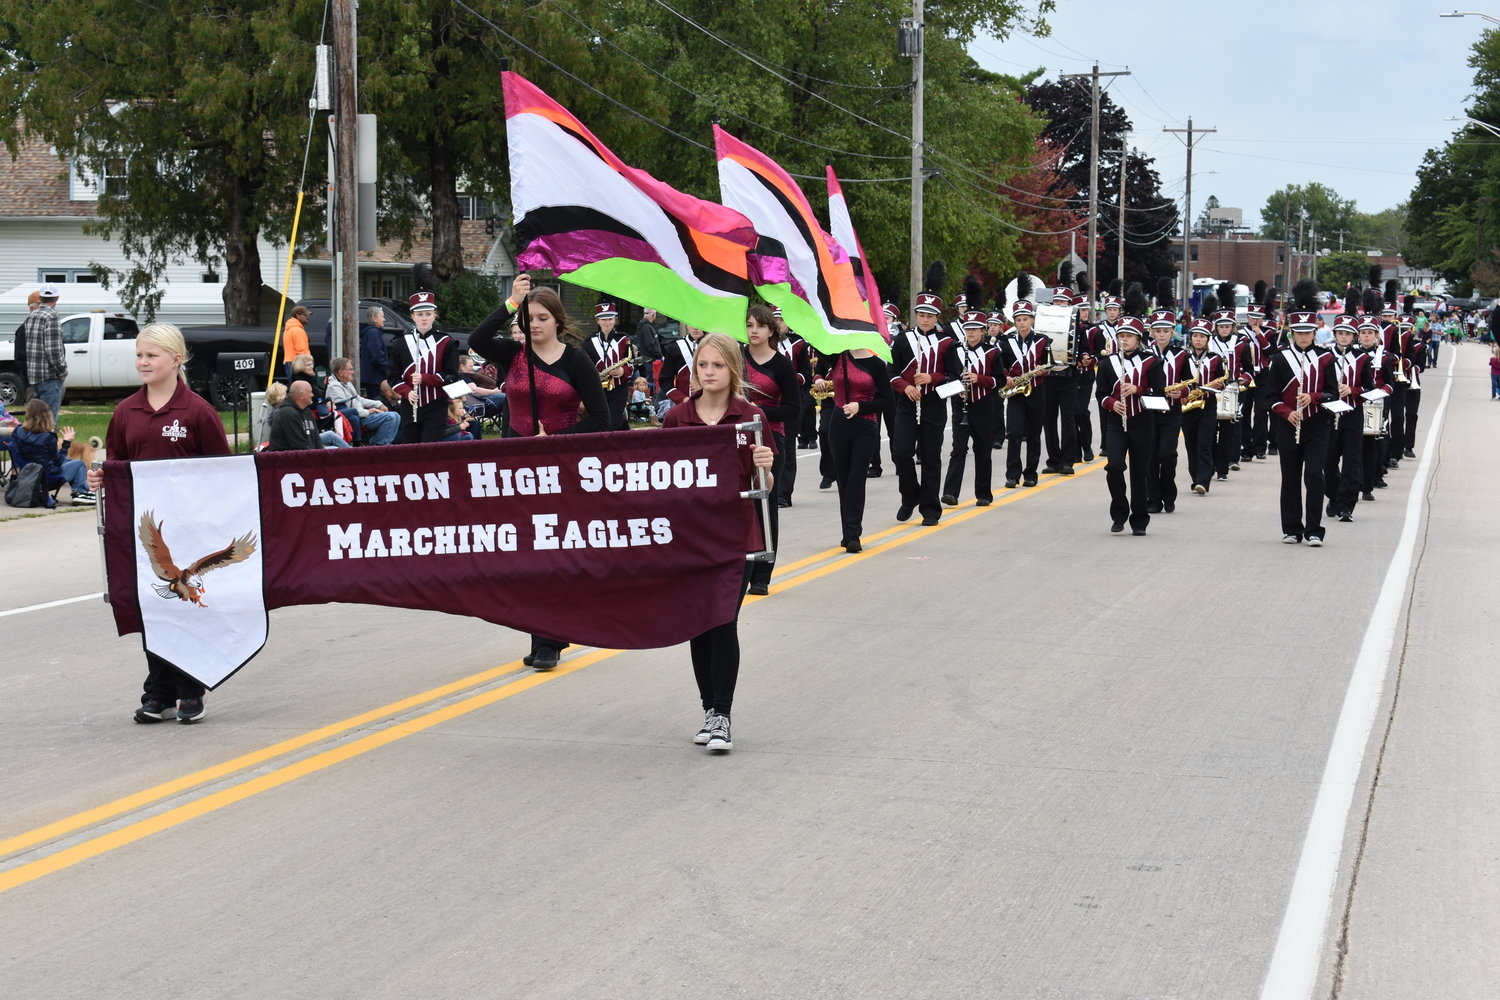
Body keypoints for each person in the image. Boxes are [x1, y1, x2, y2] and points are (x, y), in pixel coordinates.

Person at [87, 322, 231, 724]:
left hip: (189, 532)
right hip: (142, 532)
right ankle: (159, 692)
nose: (143, 362)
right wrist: (99, 476)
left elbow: (222, 474)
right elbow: (115, 464)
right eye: (139, 355)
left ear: (176, 359)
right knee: (154, 610)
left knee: (185, 608)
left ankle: (190, 690)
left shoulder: (198, 412)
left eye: (152, 355)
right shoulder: (125, 411)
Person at [468, 272, 609, 670]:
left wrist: (560, 439)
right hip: (516, 464)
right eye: (529, 318)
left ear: (558, 321)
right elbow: (477, 340)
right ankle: (541, 632)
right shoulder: (514, 355)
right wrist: (512, 301)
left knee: (552, 550)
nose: (535, 324)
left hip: (560, 467)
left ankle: (551, 638)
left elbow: (601, 418)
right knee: (527, 553)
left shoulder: (576, 360)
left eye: (543, 317)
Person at [661, 332, 775, 753]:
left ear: (733, 370)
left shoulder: (750, 418)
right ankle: (709, 709)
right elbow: (661, 481)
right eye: (702, 365)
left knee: (724, 619)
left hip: (736, 535)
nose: (708, 372)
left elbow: (765, 484)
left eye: (717, 365)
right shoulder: (676, 419)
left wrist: (765, 467)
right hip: (691, 538)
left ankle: (722, 715)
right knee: (700, 621)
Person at [1265, 304, 1336, 546]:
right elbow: (1270, 396)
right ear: (1292, 333)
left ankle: (1314, 529)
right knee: (1291, 477)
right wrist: (1286, 412)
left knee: (1315, 475)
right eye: (1299, 332)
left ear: (1315, 333)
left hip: (1317, 424)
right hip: (1288, 425)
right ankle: (1292, 528)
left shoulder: (1326, 358)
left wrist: (1313, 397)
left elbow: (1333, 394)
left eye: (1308, 332)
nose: (1304, 336)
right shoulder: (1280, 358)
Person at [742, 304, 800, 596]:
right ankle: (743, 567)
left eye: (760, 326)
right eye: (750, 325)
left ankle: (763, 573)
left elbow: (793, 408)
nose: (754, 331)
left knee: (765, 506)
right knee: (740, 506)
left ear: (771, 330)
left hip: (769, 442)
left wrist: (759, 412)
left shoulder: (782, 364)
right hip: (736, 441)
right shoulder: (737, 358)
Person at [891, 284, 958, 524]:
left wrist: (933, 378)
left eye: (930, 315)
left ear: (937, 317)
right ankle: (910, 496)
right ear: (915, 315)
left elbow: (957, 378)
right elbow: (891, 372)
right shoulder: (901, 340)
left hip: (933, 406)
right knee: (901, 453)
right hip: (907, 405)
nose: (925, 319)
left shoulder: (947, 343)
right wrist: (905, 387)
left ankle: (930, 509)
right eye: (921, 315)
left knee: (931, 457)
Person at [816, 345, 891, 553]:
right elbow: (817, 343)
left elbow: (887, 400)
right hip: (839, 424)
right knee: (843, 479)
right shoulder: (838, 357)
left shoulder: (876, 364)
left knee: (857, 479)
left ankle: (853, 535)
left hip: (866, 426)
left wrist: (861, 406)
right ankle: (848, 532)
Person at [1095, 316, 1163, 535]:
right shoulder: (1107, 363)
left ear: (1138, 338)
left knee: (1139, 472)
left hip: (1142, 421)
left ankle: (1140, 519)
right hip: (1116, 422)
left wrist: (1138, 390)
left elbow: (1160, 393)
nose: (1124, 340)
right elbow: (1101, 394)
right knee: (1114, 466)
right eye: (1121, 336)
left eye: (1129, 336)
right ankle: (1119, 511)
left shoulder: (1152, 362)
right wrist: (1112, 403)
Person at [941, 310, 1001, 507]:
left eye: (975, 329)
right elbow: (947, 376)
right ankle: (950, 493)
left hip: (984, 406)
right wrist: (957, 388)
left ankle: (983, 494)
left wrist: (979, 379)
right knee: (958, 449)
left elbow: (999, 380)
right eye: (968, 329)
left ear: (983, 330)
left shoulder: (992, 353)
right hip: (961, 407)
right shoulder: (955, 350)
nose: (971, 333)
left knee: (983, 450)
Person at [388, 291, 461, 443]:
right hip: (410, 405)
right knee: (411, 449)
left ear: (434, 315)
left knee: (430, 448)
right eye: (420, 314)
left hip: (436, 405)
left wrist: (425, 378)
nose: (424, 318)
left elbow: (452, 375)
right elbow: (393, 377)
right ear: (413, 316)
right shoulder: (401, 343)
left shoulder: (446, 342)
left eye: (428, 314)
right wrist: (407, 392)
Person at [1323, 317, 1374, 523]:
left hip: (1353, 414)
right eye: (1340, 333)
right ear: (1335, 335)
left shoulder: (1363, 359)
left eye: (1348, 334)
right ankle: (1335, 496)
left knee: (1352, 462)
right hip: (1328, 415)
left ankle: (1346, 506)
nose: (1344, 337)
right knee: (1327, 462)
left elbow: (1370, 388)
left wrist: (1352, 390)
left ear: (1354, 337)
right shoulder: (1324, 357)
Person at [999, 295, 1050, 490]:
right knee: (1014, 433)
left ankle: (1031, 473)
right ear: (1014, 320)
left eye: (1025, 319)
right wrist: (1006, 377)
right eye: (1018, 319)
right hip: (1015, 392)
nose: (1022, 323)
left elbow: (1051, 363)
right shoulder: (1006, 342)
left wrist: (1044, 369)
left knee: (1034, 434)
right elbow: (1000, 366)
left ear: (1032, 320)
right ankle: (1012, 475)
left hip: (1036, 390)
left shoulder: (1043, 341)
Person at [10, 398, 93, 504]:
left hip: (28, 475)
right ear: (47, 416)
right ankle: (80, 493)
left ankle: (80, 491)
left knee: (68, 460)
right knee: (79, 464)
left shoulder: (17, 432)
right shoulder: (48, 437)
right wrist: (66, 443)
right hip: (47, 479)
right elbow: (57, 463)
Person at [1145, 310, 1187, 514]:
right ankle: (1153, 498)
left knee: (1167, 454)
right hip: (1149, 411)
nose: (1161, 335)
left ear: (1172, 332)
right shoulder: (1144, 354)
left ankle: (1169, 494)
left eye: (1166, 331)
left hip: (1172, 411)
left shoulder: (1181, 354)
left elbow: (1190, 380)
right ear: (1152, 332)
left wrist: (1182, 392)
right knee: (1150, 455)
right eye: (1158, 331)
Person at [1180, 320, 1222, 497]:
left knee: (1204, 443)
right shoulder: (1183, 358)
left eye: (1202, 337)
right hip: (1188, 406)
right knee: (1191, 444)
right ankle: (1195, 477)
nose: (1198, 340)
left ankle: (1203, 481)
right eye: (1195, 336)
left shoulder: (1216, 359)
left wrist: (1216, 385)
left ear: (1207, 339)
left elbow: (1223, 380)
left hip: (1208, 405)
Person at [326, 357, 400, 445]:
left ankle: (379, 444)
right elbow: (347, 410)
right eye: (350, 369)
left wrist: (378, 404)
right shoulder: (334, 387)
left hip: (362, 414)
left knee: (396, 415)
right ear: (341, 372)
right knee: (391, 417)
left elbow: (358, 399)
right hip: (357, 418)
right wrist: (369, 411)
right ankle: (379, 444)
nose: (353, 372)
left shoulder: (346, 382)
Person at [586, 302, 635, 431]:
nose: (607, 322)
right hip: (598, 388)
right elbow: (584, 365)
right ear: (597, 320)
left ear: (615, 320)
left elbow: (632, 363)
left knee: (612, 422)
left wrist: (623, 370)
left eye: (610, 319)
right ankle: (625, 432)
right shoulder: (589, 342)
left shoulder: (624, 339)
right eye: (603, 319)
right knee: (604, 420)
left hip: (619, 387)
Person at [22, 284, 65, 422]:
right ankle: (49, 443)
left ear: (40, 297)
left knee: (37, 420)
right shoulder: (52, 316)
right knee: (49, 420)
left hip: (34, 376)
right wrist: (62, 370)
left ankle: (34, 443)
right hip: (49, 376)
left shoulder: (31, 316)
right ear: (57, 298)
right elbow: (53, 350)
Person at [267, 380, 321, 451]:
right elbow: (299, 445)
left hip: (308, 455)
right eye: (310, 392)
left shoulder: (307, 411)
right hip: (288, 459)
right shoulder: (287, 414)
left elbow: (316, 438)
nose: (312, 395)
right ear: (301, 395)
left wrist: (322, 455)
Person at [358, 305, 391, 400]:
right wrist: (387, 369)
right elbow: (376, 355)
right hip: (375, 378)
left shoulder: (371, 332)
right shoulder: (373, 333)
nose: (384, 319)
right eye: (382, 316)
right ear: (374, 318)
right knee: (378, 401)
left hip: (371, 377)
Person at [632, 306, 663, 395]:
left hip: (646, 358)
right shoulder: (646, 327)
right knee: (650, 382)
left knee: (648, 381)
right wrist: (660, 355)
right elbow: (650, 344)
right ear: (654, 314)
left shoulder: (644, 326)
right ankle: (649, 398)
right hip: (650, 359)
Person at [280, 305, 312, 379]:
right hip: (298, 364)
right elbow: (302, 351)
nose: (308, 317)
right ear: (298, 315)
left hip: (289, 362)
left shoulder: (289, 329)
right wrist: (309, 366)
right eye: (305, 315)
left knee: (294, 387)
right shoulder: (298, 330)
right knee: (301, 388)